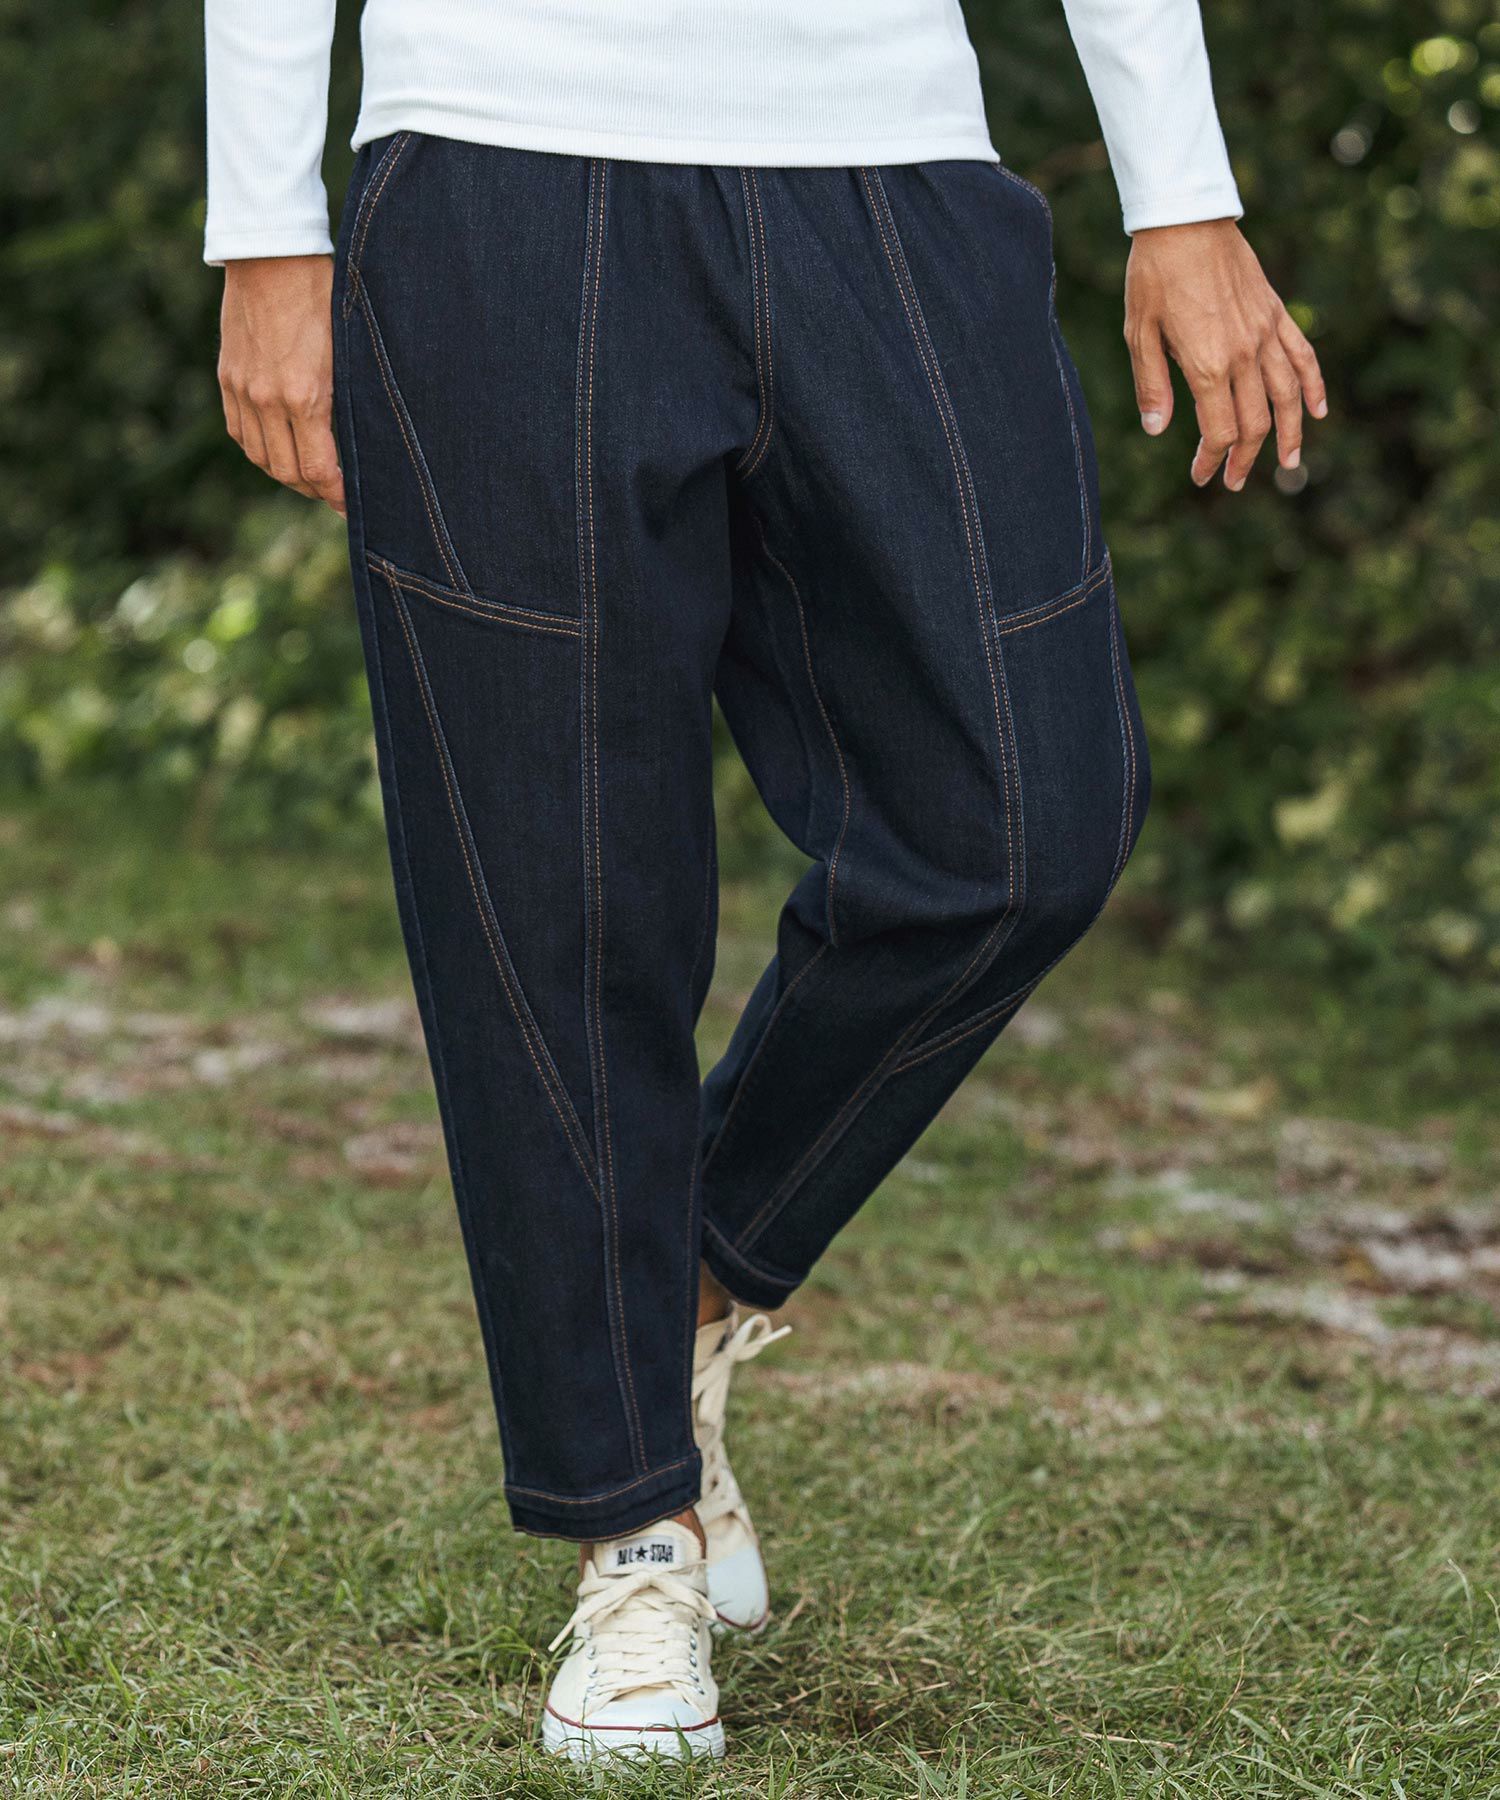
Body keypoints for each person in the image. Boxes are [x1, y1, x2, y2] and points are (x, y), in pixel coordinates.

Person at [205, 0, 1325, 1763]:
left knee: (1022, 820)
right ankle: (632, 1533)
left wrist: (1180, 188)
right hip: (501, 154)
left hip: (892, 160)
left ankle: (679, 1288)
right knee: (555, 883)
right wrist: (263, 225)